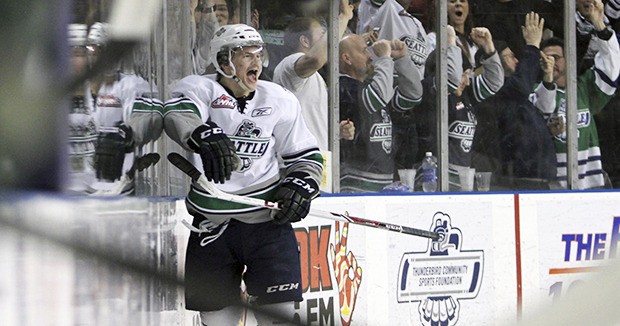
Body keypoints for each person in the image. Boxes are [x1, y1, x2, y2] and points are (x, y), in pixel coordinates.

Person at [162, 24, 323, 324]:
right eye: (245, 55)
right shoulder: (199, 88)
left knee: (280, 316)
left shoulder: (279, 98)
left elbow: (306, 156)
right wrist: (202, 134)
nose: (256, 62)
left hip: (266, 224)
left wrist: (301, 184)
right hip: (212, 225)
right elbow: (178, 114)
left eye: (258, 54)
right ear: (224, 61)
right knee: (216, 320)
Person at [532, 2, 620, 189]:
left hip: (592, 184)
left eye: (556, 57)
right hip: (553, 188)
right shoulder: (536, 91)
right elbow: (544, 105)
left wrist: (600, 25)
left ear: (568, 59)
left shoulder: (583, 88)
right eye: (546, 58)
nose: (550, 62)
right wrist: (547, 81)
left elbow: (611, 68)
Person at [472, 12, 557, 190]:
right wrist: (533, 46)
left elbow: (542, 110)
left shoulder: (516, 96)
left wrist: (548, 79)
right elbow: (521, 86)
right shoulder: (496, 94)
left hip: (539, 180)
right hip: (515, 182)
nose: (517, 60)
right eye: (510, 56)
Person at [416, 26, 504, 190]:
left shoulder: (465, 94)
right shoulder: (430, 90)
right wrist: (450, 42)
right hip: (434, 182)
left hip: (462, 182)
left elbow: (495, 82)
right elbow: (450, 79)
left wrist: (488, 47)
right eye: (463, 74)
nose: (467, 80)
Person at [87, 22, 164, 195]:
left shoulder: (131, 85)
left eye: (102, 49)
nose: (96, 55)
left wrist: (126, 135)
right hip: (84, 184)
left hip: (119, 183)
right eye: (92, 49)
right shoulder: (81, 87)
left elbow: (142, 124)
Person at [339, 34, 422, 192]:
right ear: (347, 58)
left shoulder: (371, 86)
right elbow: (378, 97)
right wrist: (384, 58)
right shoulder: (342, 87)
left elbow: (413, 95)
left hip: (383, 183)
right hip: (355, 185)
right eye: (364, 51)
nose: (370, 55)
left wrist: (402, 59)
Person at [272, 0, 354, 150]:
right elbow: (316, 59)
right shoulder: (289, 63)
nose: (328, 39)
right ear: (304, 40)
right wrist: (343, 17)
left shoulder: (313, 75)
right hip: (298, 162)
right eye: (322, 34)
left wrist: (336, 131)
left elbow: (309, 121)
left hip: (316, 161)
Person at [65, 23, 98, 194]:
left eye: (82, 54)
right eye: (75, 54)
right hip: (62, 188)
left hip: (91, 188)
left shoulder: (92, 88)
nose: (80, 60)